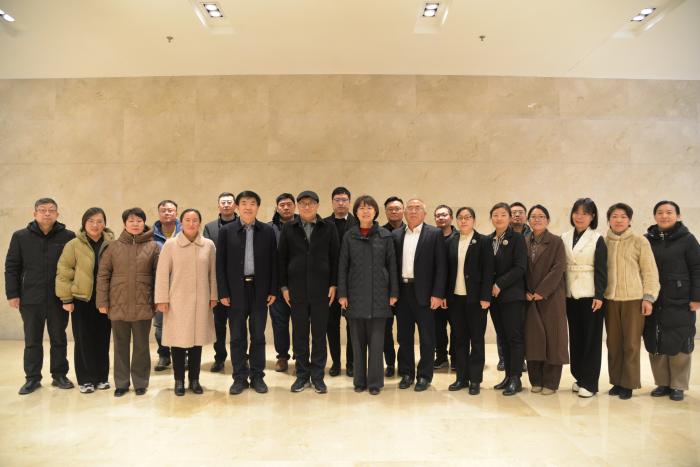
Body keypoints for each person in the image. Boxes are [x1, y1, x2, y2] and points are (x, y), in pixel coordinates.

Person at [5, 198, 76, 395]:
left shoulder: (68, 236)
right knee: (32, 340)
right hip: (30, 298)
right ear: (34, 213)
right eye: (42, 210)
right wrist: (12, 293)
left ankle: (59, 375)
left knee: (59, 338)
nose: (47, 213)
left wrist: (70, 295)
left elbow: (73, 266)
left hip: (58, 298)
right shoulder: (20, 236)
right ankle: (32, 378)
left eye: (51, 210)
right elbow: (12, 267)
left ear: (57, 214)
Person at [217, 191, 277, 395]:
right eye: (243, 203)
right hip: (235, 291)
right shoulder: (226, 231)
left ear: (258, 207)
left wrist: (272, 289)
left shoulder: (267, 231)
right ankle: (239, 378)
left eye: (252, 203)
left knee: (258, 336)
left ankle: (258, 376)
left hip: (260, 290)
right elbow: (220, 264)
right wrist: (223, 291)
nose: (248, 207)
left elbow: (274, 262)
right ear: (237, 207)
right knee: (237, 337)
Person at [279, 191, 339, 394]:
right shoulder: (289, 228)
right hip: (296, 290)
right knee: (300, 335)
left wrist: (334, 284)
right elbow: (281, 259)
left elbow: (335, 258)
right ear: (297, 206)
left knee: (320, 335)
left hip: (322, 290)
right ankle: (302, 375)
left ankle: (318, 376)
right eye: (303, 203)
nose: (306, 206)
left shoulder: (328, 227)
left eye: (310, 203)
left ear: (317, 205)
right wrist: (284, 287)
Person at [338, 195, 399, 395]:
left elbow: (392, 265)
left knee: (376, 343)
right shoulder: (349, 236)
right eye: (362, 208)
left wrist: (394, 292)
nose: (366, 211)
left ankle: (374, 383)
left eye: (369, 208)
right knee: (357, 343)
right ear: (356, 212)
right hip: (355, 295)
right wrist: (342, 294)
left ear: (375, 212)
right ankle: (359, 381)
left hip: (380, 296)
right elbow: (343, 266)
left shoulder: (385, 235)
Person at [97, 207, 160, 397]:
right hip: (118, 303)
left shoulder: (153, 247)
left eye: (139, 221)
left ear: (144, 223)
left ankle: (140, 383)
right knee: (120, 345)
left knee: (141, 346)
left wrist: (158, 300)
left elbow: (159, 277)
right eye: (131, 221)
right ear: (124, 224)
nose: (135, 224)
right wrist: (102, 301)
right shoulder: (112, 247)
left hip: (144, 303)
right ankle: (121, 383)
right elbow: (103, 275)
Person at [155, 209, 218, 396]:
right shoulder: (171, 244)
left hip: (201, 301)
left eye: (195, 220)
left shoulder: (208, 245)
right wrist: (162, 299)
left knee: (197, 342)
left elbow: (213, 273)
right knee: (178, 342)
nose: (191, 223)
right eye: (187, 220)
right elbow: (162, 274)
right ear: (181, 223)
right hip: (177, 302)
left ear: (200, 223)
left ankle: (195, 380)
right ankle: (179, 381)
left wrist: (213, 295)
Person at [644, 201, 700, 402]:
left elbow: (697, 269)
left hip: (681, 300)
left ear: (678, 215)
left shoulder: (688, 239)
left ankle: (678, 385)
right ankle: (662, 383)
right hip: (653, 299)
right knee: (656, 339)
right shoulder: (647, 240)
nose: (664, 216)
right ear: (654, 216)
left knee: (680, 339)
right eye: (660, 212)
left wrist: (696, 297)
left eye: (669, 212)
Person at [55, 207, 115, 394]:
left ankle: (102, 377)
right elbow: (64, 272)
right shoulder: (73, 244)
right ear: (84, 223)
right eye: (91, 221)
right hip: (82, 300)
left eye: (99, 221)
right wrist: (66, 298)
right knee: (83, 340)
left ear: (104, 223)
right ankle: (86, 379)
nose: (95, 225)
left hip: (105, 299)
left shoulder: (112, 244)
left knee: (103, 339)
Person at [604, 202, 659, 400]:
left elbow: (650, 271)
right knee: (613, 343)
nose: (619, 220)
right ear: (608, 220)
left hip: (633, 300)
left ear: (629, 220)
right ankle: (616, 381)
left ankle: (628, 383)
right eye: (614, 216)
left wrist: (648, 298)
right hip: (610, 300)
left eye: (623, 217)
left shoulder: (639, 241)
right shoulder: (603, 241)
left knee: (631, 344)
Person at [393, 198, 447, 392]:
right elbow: (392, 266)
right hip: (403, 293)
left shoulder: (434, 233)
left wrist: (438, 294)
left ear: (424, 213)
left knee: (427, 338)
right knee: (404, 337)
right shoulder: (396, 235)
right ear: (404, 212)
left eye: (418, 208)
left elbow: (441, 266)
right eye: (410, 208)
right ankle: (407, 373)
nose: (413, 211)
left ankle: (424, 375)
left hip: (425, 293)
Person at [444, 207, 494, 395]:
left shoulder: (484, 241)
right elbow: (447, 271)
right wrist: (445, 295)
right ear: (456, 220)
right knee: (459, 339)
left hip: (476, 300)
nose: (463, 221)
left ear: (474, 220)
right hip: (455, 299)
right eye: (460, 218)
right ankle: (461, 378)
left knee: (477, 340)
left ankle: (475, 380)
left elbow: (489, 271)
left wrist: (486, 296)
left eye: (467, 217)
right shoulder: (451, 241)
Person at [562, 198, 607, 398]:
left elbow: (602, 270)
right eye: (576, 212)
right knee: (576, 337)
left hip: (591, 295)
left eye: (585, 213)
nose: (579, 217)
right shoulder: (564, 237)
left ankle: (590, 382)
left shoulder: (597, 239)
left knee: (591, 339)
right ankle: (579, 377)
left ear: (592, 217)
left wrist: (599, 295)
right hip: (570, 294)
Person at [523, 205, 569, 395]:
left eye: (541, 216)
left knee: (553, 339)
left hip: (551, 297)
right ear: (528, 221)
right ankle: (536, 380)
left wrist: (542, 291)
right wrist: (526, 290)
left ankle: (550, 383)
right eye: (533, 216)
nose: (537, 219)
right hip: (529, 298)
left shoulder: (556, 242)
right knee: (533, 339)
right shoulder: (523, 241)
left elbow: (558, 268)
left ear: (548, 220)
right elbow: (520, 268)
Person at [488, 202, 527, 396]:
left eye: (503, 214)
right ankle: (508, 376)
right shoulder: (489, 240)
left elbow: (520, 267)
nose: (499, 218)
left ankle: (516, 378)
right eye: (495, 215)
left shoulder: (517, 239)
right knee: (502, 338)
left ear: (510, 218)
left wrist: (499, 284)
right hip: (494, 299)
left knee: (514, 338)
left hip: (512, 296)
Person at [324, 187, 357, 377]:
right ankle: (336, 362)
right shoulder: (323, 224)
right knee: (331, 325)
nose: (341, 203)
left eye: (344, 199)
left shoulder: (357, 223)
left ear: (349, 202)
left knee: (352, 325)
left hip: (352, 285)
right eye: (337, 199)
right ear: (332, 202)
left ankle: (351, 363)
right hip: (329, 284)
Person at [203, 192, 237, 373]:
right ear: (218, 206)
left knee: (239, 326)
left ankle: (241, 358)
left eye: (229, 202)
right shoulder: (209, 228)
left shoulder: (244, 224)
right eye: (223, 202)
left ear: (235, 205)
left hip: (239, 285)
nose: (226, 205)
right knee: (219, 325)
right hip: (217, 284)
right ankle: (220, 358)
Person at [268, 193, 299, 372]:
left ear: (294, 206)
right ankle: (282, 356)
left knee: (300, 322)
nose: (286, 207)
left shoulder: (303, 225)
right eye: (282, 205)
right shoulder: (268, 228)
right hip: (276, 283)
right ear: (277, 207)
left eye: (289, 204)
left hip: (299, 282)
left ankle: (300, 355)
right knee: (279, 322)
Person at [152, 199, 181, 372]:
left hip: (182, 285)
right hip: (159, 285)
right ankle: (164, 355)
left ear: (176, 213)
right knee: (160, 324)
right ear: (159, 213)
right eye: (163, 210)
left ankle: (183, 355)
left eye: (171, 210)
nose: (167, 213)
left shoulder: (186, 232)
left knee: (182, 323)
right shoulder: (150, 235)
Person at [381, 196, 405, 377]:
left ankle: (404, 365)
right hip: (384, 290)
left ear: (403, 210)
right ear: (385, 212)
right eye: (390, 209)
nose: (394, 211)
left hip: (406, 290)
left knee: (404, 331)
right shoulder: (380, 232)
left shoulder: (411, 231)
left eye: (397, 208)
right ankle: (390, 363)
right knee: (385, 331)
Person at [434, 204, 456, 371]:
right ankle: (441, 357)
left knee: (457, 327)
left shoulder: (459, 237)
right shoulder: (431, 237)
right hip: (436, 293)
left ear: (451, 218)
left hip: (456, 293)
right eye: (438, 215)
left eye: (444, 215)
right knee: (437, 328)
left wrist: (447, 294)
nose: (441, 218)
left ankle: (456, 357)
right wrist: (438, 294)